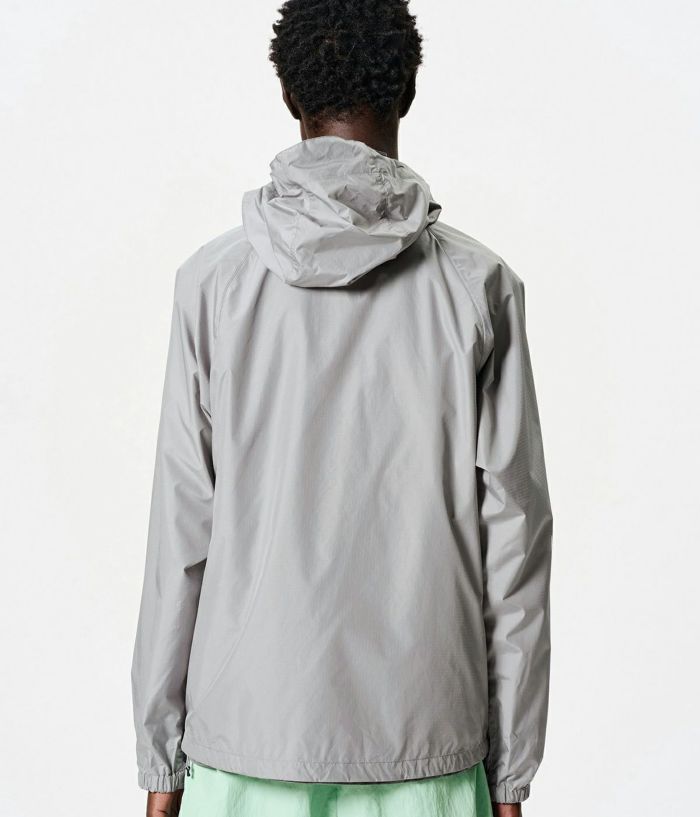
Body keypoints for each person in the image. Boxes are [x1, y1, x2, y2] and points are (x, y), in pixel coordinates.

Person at [130, 1, 554, 816]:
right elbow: (517, 541)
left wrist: (159, 761)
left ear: (289, 96)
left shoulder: (213, 285)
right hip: (426, 740)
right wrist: (512, 772)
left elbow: (180, 529)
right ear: (409, 92)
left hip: (246, 741)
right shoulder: (479, 288)